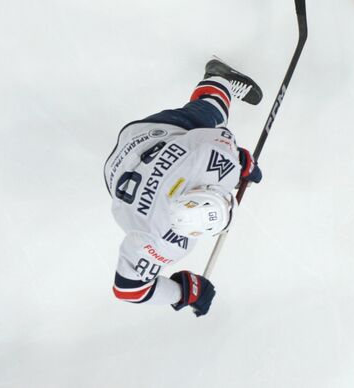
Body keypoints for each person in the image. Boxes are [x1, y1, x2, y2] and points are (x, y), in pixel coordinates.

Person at [103, 59, 263, 316]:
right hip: (115, 174)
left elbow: (130, 289)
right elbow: (127, 290)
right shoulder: (152, 239)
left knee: (209, 114)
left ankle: (218, 78)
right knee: (200, 127)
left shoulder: (160, 242)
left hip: (147, 135)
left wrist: (187, 292)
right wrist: (181, 291)